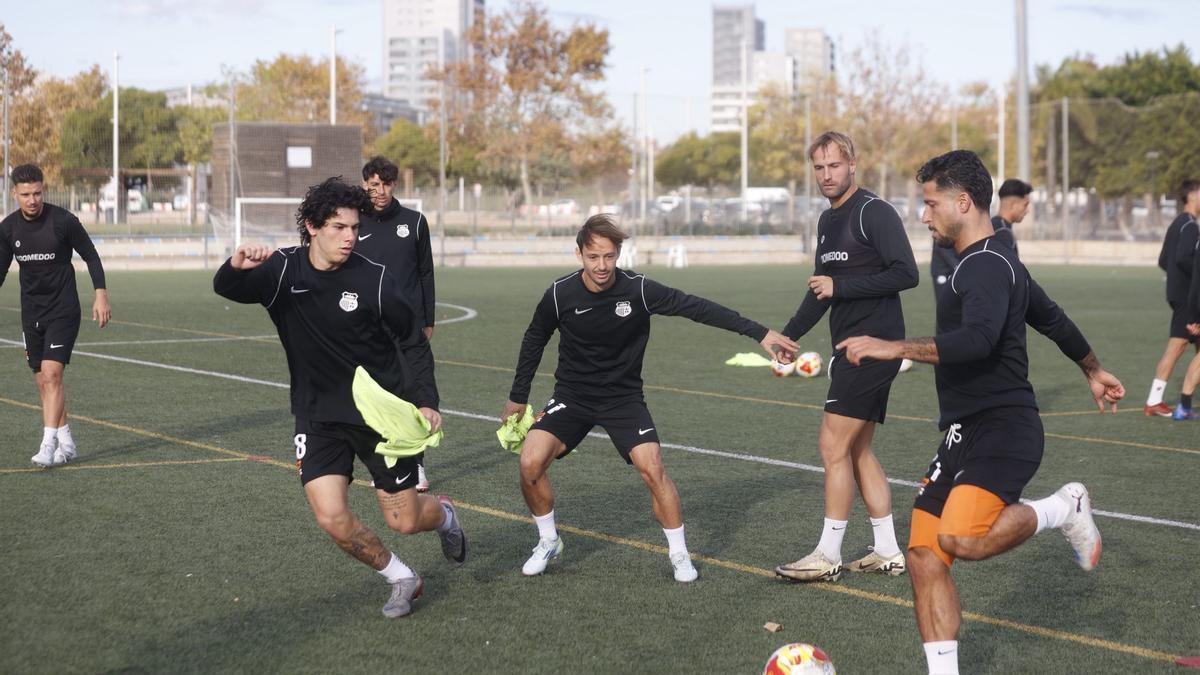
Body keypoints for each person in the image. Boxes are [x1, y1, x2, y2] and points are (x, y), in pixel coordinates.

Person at [837, 150, 1124, 675]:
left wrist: (893, 346)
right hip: (961, 431)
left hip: (1004, 426)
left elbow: (977, 341)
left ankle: (1064, 507)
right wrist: (1092, 368)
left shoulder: (985, 264)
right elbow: (1050, 317)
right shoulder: (994, 258)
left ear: (963, 202)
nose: (923, 215)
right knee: (924, 555)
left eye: (931, 204)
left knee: (961, 539)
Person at [213, 177, 465, 619]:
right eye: (338, 227)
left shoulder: (375, 279)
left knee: (405, 521)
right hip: (318, 417)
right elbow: (228, 288)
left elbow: (412, 341)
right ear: (312, 226)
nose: (350, 237)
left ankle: (443, 515)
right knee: (331, 518)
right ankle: (401, 577)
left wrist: (427, 400)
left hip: (382, 419)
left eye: (354, 228)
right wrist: (236, 265)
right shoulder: (283, 271)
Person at [501, 214, 798, 583]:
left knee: (653, 468)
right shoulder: (560, 294)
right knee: (530, 462)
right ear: (579, 255)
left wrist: (759, 333)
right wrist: (518, 396)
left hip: (623, 399)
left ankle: (679, 554)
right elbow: (534, 339)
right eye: (593, 257)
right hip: (572, 396)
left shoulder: (639, 290)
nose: (602, 265)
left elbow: (696, 307)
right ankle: (548, 540)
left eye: (609, 256)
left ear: (618, 254)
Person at [774, 131, 919, 584]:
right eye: (818, 167)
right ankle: (888, 551)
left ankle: (827, 555)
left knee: (832, 446)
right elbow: (821, 288)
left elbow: (906, 273)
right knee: (856, 450)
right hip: (847, 350)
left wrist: (844, 286)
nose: (826, 175)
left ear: (852, 164)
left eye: (834, 165)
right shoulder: (826, 220)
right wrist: (789, 336)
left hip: (874, 349)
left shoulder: (874, 212)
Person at [0, 164, 111, 467]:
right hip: (31, 312)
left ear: (44, 190)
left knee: (52, 374)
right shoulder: (8, 229)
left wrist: (100, 293)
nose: (32, 200)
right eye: (26, 194)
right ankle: (67, 444)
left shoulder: (63, 221)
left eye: (37, 193)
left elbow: (91, 255)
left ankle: (47, 445)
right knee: (43, 382)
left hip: (63, 310)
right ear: (14, 193)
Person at [358, 155, 436, 492]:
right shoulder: (354, 222)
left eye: (386, 184)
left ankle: (416, 465)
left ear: (394, 185)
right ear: (365, 185)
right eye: (374, 184)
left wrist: (428, 319)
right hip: (367, 325)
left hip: (408, 326)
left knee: (413, 394)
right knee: (375, 395)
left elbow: (426, 273)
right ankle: (383, 460)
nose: (380, 191)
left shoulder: (414, 222)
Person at [1143, 179, 1200, 416]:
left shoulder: (1178, 222)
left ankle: (1173, 400)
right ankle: (1155, 400)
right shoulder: (1190, 226)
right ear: (1192, 196)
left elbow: (1163, 259)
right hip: (1188, 297)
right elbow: (1185, 258)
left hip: (1179, 294)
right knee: (1177, 346)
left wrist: (1176, 280)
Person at [930, 178, 1030, 302]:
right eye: (1025, 205)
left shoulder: (996, 226)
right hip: (950, 276)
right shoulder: (1001, 231)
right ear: (1013, 204)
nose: (1027, 210)